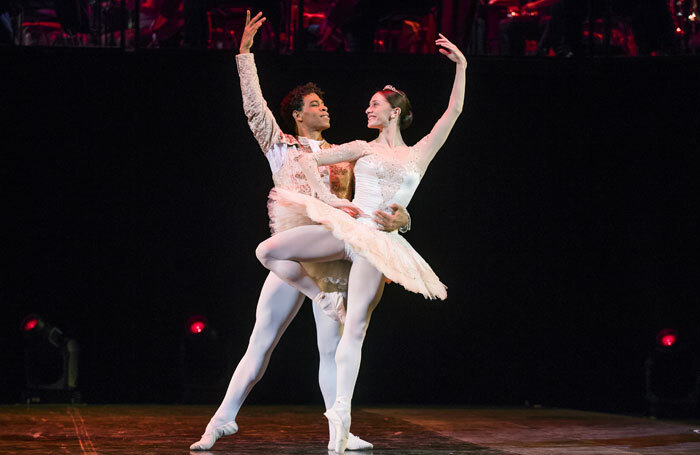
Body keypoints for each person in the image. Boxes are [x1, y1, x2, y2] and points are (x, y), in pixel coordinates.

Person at [189, 11, 410, 452]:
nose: (324, 107)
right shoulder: (281, 146)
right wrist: (244, 55)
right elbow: (254, 107)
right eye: (314, 104)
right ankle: (220, 421)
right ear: (295, 114)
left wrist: (399, 221)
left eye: (324, 104)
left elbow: (378, 194)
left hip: (329, 256)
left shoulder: (344, 153)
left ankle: (340, 431)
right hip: (294, 256)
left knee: (331, 351)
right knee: (260, 346)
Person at [255, 33, 466, 453]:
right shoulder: (359, 148)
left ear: (395, 112)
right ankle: (321, 297)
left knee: (356, 330)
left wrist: (462, 67)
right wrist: (331, 199)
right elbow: (307, 159)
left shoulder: (418, 155)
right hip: (349, 229)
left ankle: (341, 418)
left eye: (375, 104)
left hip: (379, 243)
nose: (367, 108)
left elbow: (454, 111)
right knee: (268, 250)